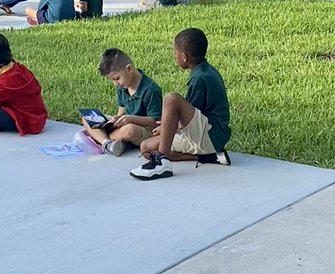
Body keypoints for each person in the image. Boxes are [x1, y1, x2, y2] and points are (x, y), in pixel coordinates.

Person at [131, 28, 232, 180]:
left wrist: (167, 127)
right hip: (205, 137)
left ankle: (161, 162)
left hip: (211, 134)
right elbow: (192, 119)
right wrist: (167, 126)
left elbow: (188, 119)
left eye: (175, 53)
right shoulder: (204, 70)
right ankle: (211, 157)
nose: (175, 56)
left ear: (184, 57)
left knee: (171, 99)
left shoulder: (201, 78)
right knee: (146, 148)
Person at [84, 49, 163, 156]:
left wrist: (131, 119)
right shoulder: (122, 86)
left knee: (129, 130)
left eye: (117, 78)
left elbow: (156, 122)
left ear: (129, 69)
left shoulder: (150, 90)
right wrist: (117, 119)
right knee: (87, 116)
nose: (115, 83)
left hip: (145, 130)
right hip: (125, 124)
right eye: (112, 80)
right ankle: (107, 143)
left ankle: (98, 137)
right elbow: (122, 109)